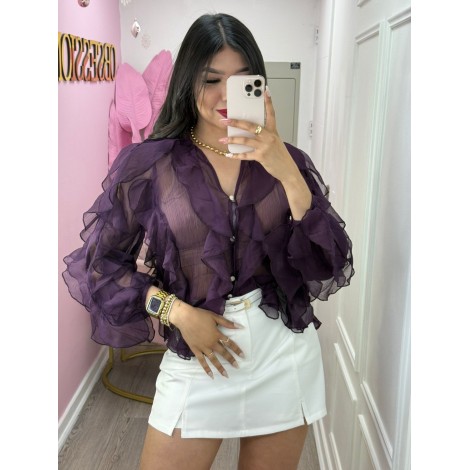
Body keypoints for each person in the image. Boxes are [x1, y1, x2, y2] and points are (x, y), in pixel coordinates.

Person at [62, 12, 354, 470]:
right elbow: (101, 267)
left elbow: (329, 263)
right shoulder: (152, 166)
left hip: (284, 357)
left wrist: (286, 171)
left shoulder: (289, 162)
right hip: (196, 357)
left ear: (258, 84)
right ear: (188, 81)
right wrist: (175, 312)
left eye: (241, 80)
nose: (225, 95)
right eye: (211, 79)